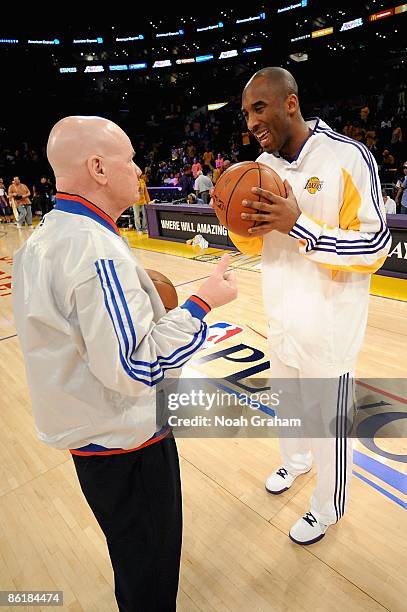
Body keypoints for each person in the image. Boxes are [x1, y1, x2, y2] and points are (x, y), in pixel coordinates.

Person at [12, 115, 237, 611]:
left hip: (94, 443)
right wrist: (202, 306)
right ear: (97, 166)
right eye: (130, 157)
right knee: (151, 580)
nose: (138, 168)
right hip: (129, 446)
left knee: (133, 564)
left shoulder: (45, 240)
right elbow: (136, 370)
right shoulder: (94, 253)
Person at [230, 67, 390, 545]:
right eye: (246, 113)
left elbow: (376, 246)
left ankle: (328, 507)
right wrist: (244, 227)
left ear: (290, 104)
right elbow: (253, 247)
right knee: (291, 406)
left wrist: (297, 225)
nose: (252, 121)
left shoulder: (347, 156)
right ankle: (296, 462)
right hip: (280, 314)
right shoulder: (262, 166)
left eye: (260, 108)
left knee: (329, 424)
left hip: (331, 326)